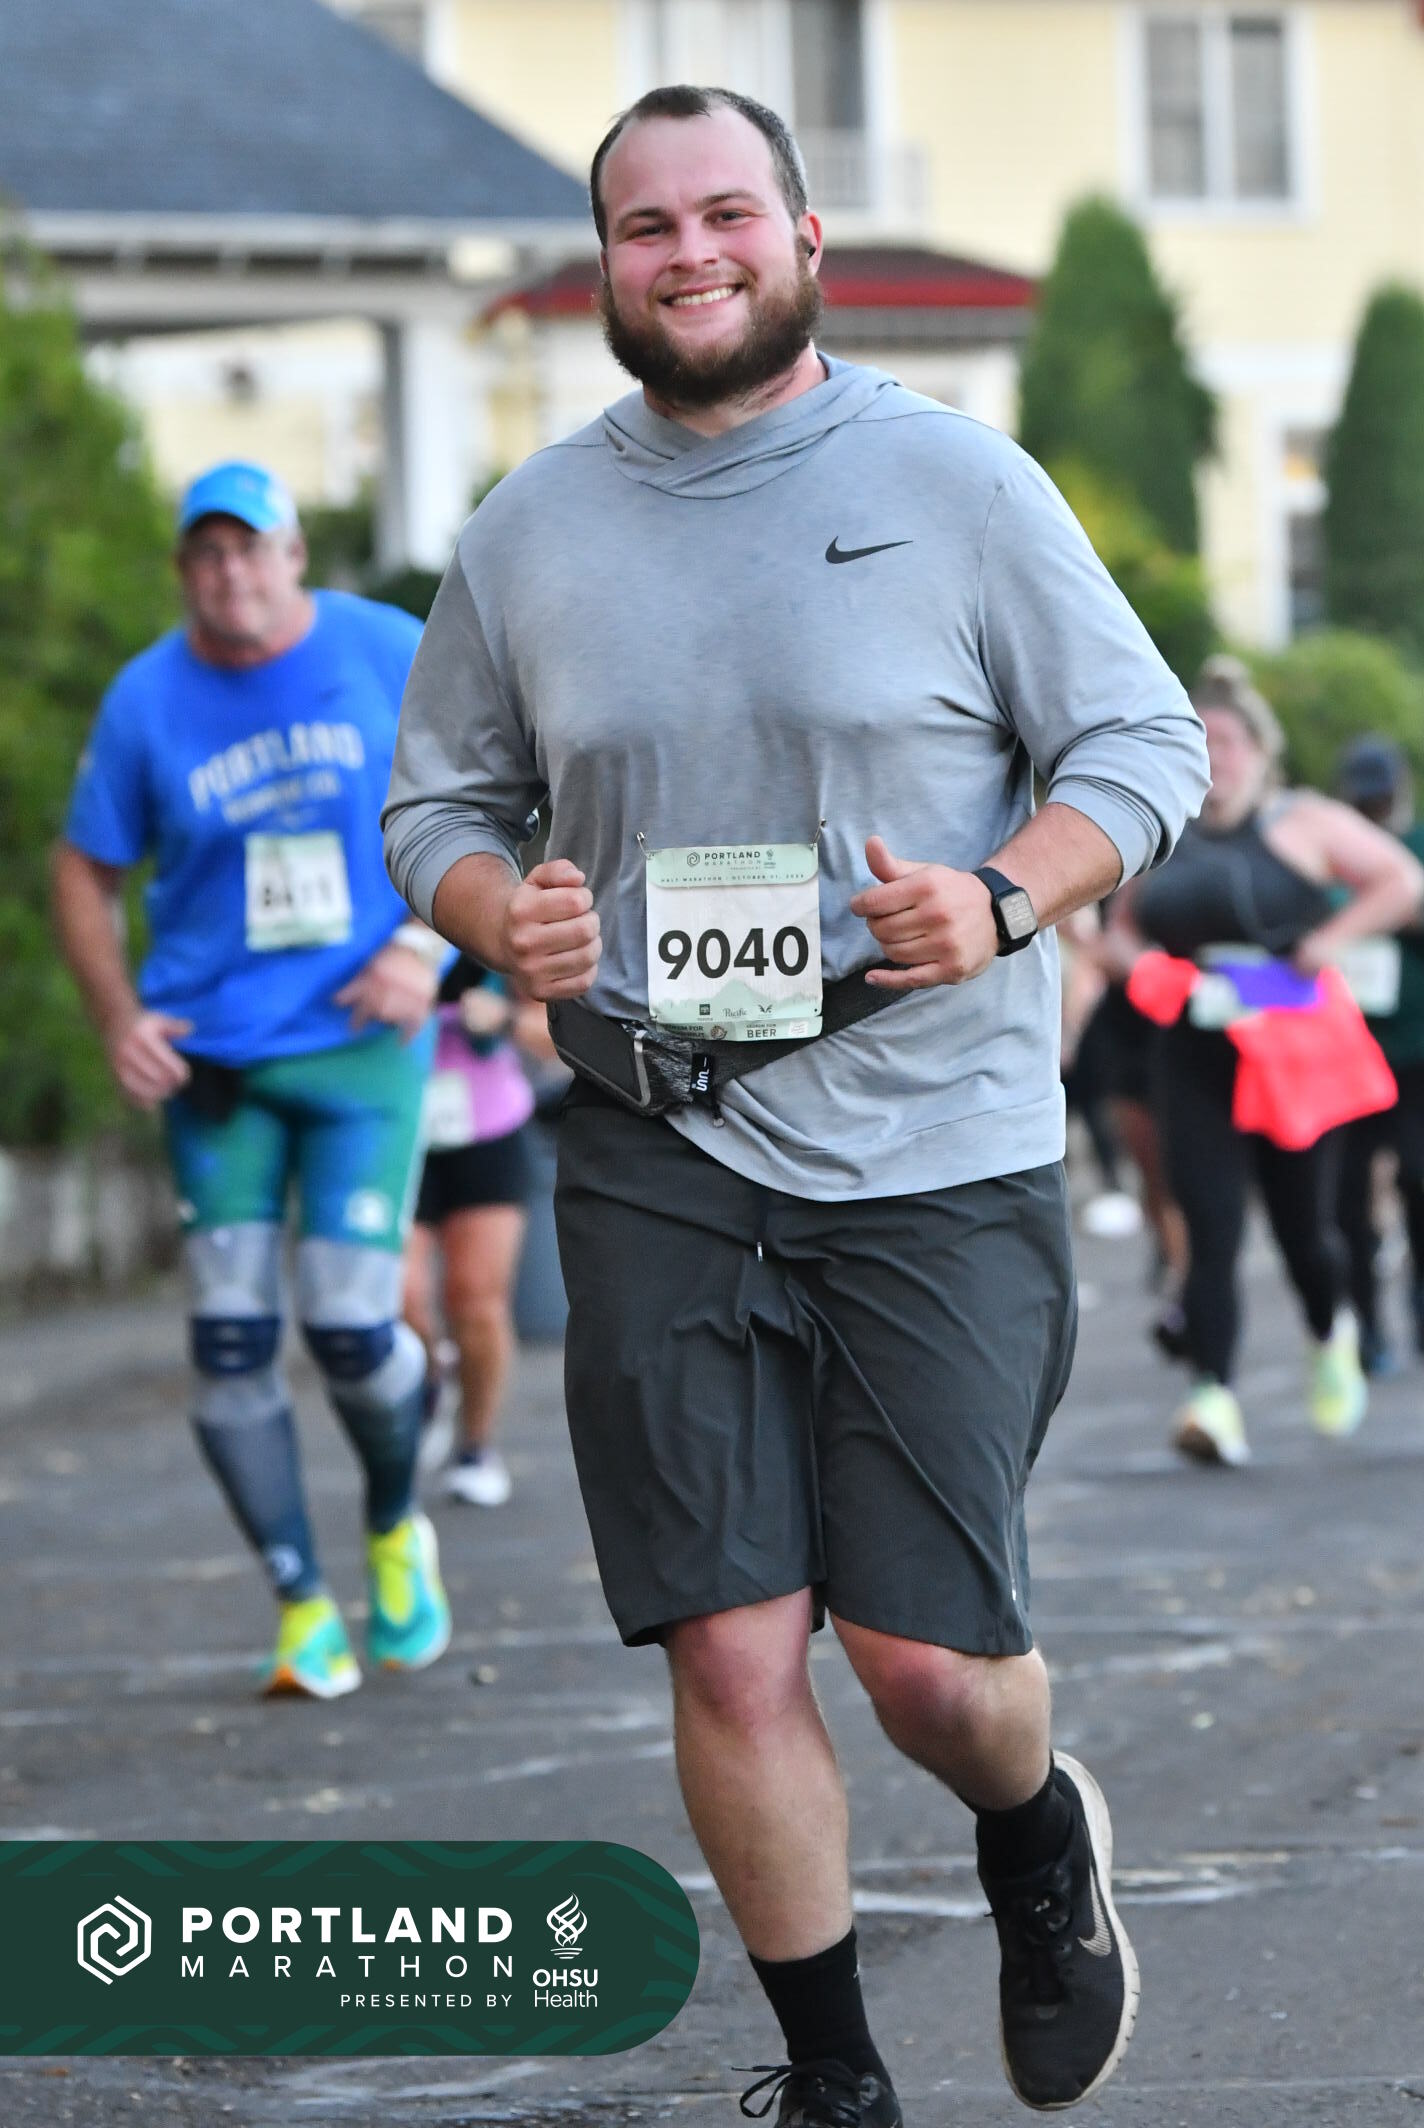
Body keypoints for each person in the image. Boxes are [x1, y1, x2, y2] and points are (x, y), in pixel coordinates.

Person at [384, 87, 1210, 2125]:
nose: (687, 254)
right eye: (643, 226)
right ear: (604, 263)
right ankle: (832, 2073)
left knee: (923, 1664)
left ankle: (1032, 1826)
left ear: (805, 236)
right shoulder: (527, 526)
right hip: (653, 1136)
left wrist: (1001, 893)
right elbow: (436, 806)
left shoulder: (954, 481)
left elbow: (1142, 743)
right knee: (730, 1644)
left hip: (931, 1146)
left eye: (723, 213)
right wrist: (502, 912)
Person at [53, 459, 452, 1700]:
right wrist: (118, 1015)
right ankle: (300, 1606)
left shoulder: (385, 649)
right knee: (228, 1336)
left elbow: (501, 789)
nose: (231, 573)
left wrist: (424, 944)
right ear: (185, 570)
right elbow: (84, 869)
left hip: (357, 1042)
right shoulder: (146, 698)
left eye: (251, 547)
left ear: (292, 555)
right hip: (214, 1055)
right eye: (208, 553)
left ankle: (395, 1522)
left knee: (349, 1328)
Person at [1122, 660, 1424, 1466]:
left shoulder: (1305, 822)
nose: (1212, 755)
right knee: (1210, 1227)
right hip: (1194, 1051)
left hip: (1292, 1052)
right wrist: (1145, 971)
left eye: (1226, 740)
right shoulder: (1160, 826)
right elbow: (1117, 931)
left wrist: (1330, 940)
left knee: (1304, 1233)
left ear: (1260, 751)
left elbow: (1402, 880)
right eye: (1197, 739)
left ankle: (1332, 1329)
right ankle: (1211, 1397)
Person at [403, 958, 537, 1504]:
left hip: (488, 1132)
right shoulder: (367, 922)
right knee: (398, 1296)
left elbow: (558, 1035)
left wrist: (504, 1018)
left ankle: (476, 1447)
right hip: (390, 1131)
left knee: (477, 1303)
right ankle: (432, 1374)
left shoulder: (486, 932)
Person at [1332, 737, 1424, 1372]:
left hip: (1414, 1049)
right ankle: (1366, 1325)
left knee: (1418, 1179)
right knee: (1347, 1198)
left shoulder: (1414, 848)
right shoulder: (1331, 853)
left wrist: (1397, 907)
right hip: (1345, 1052)